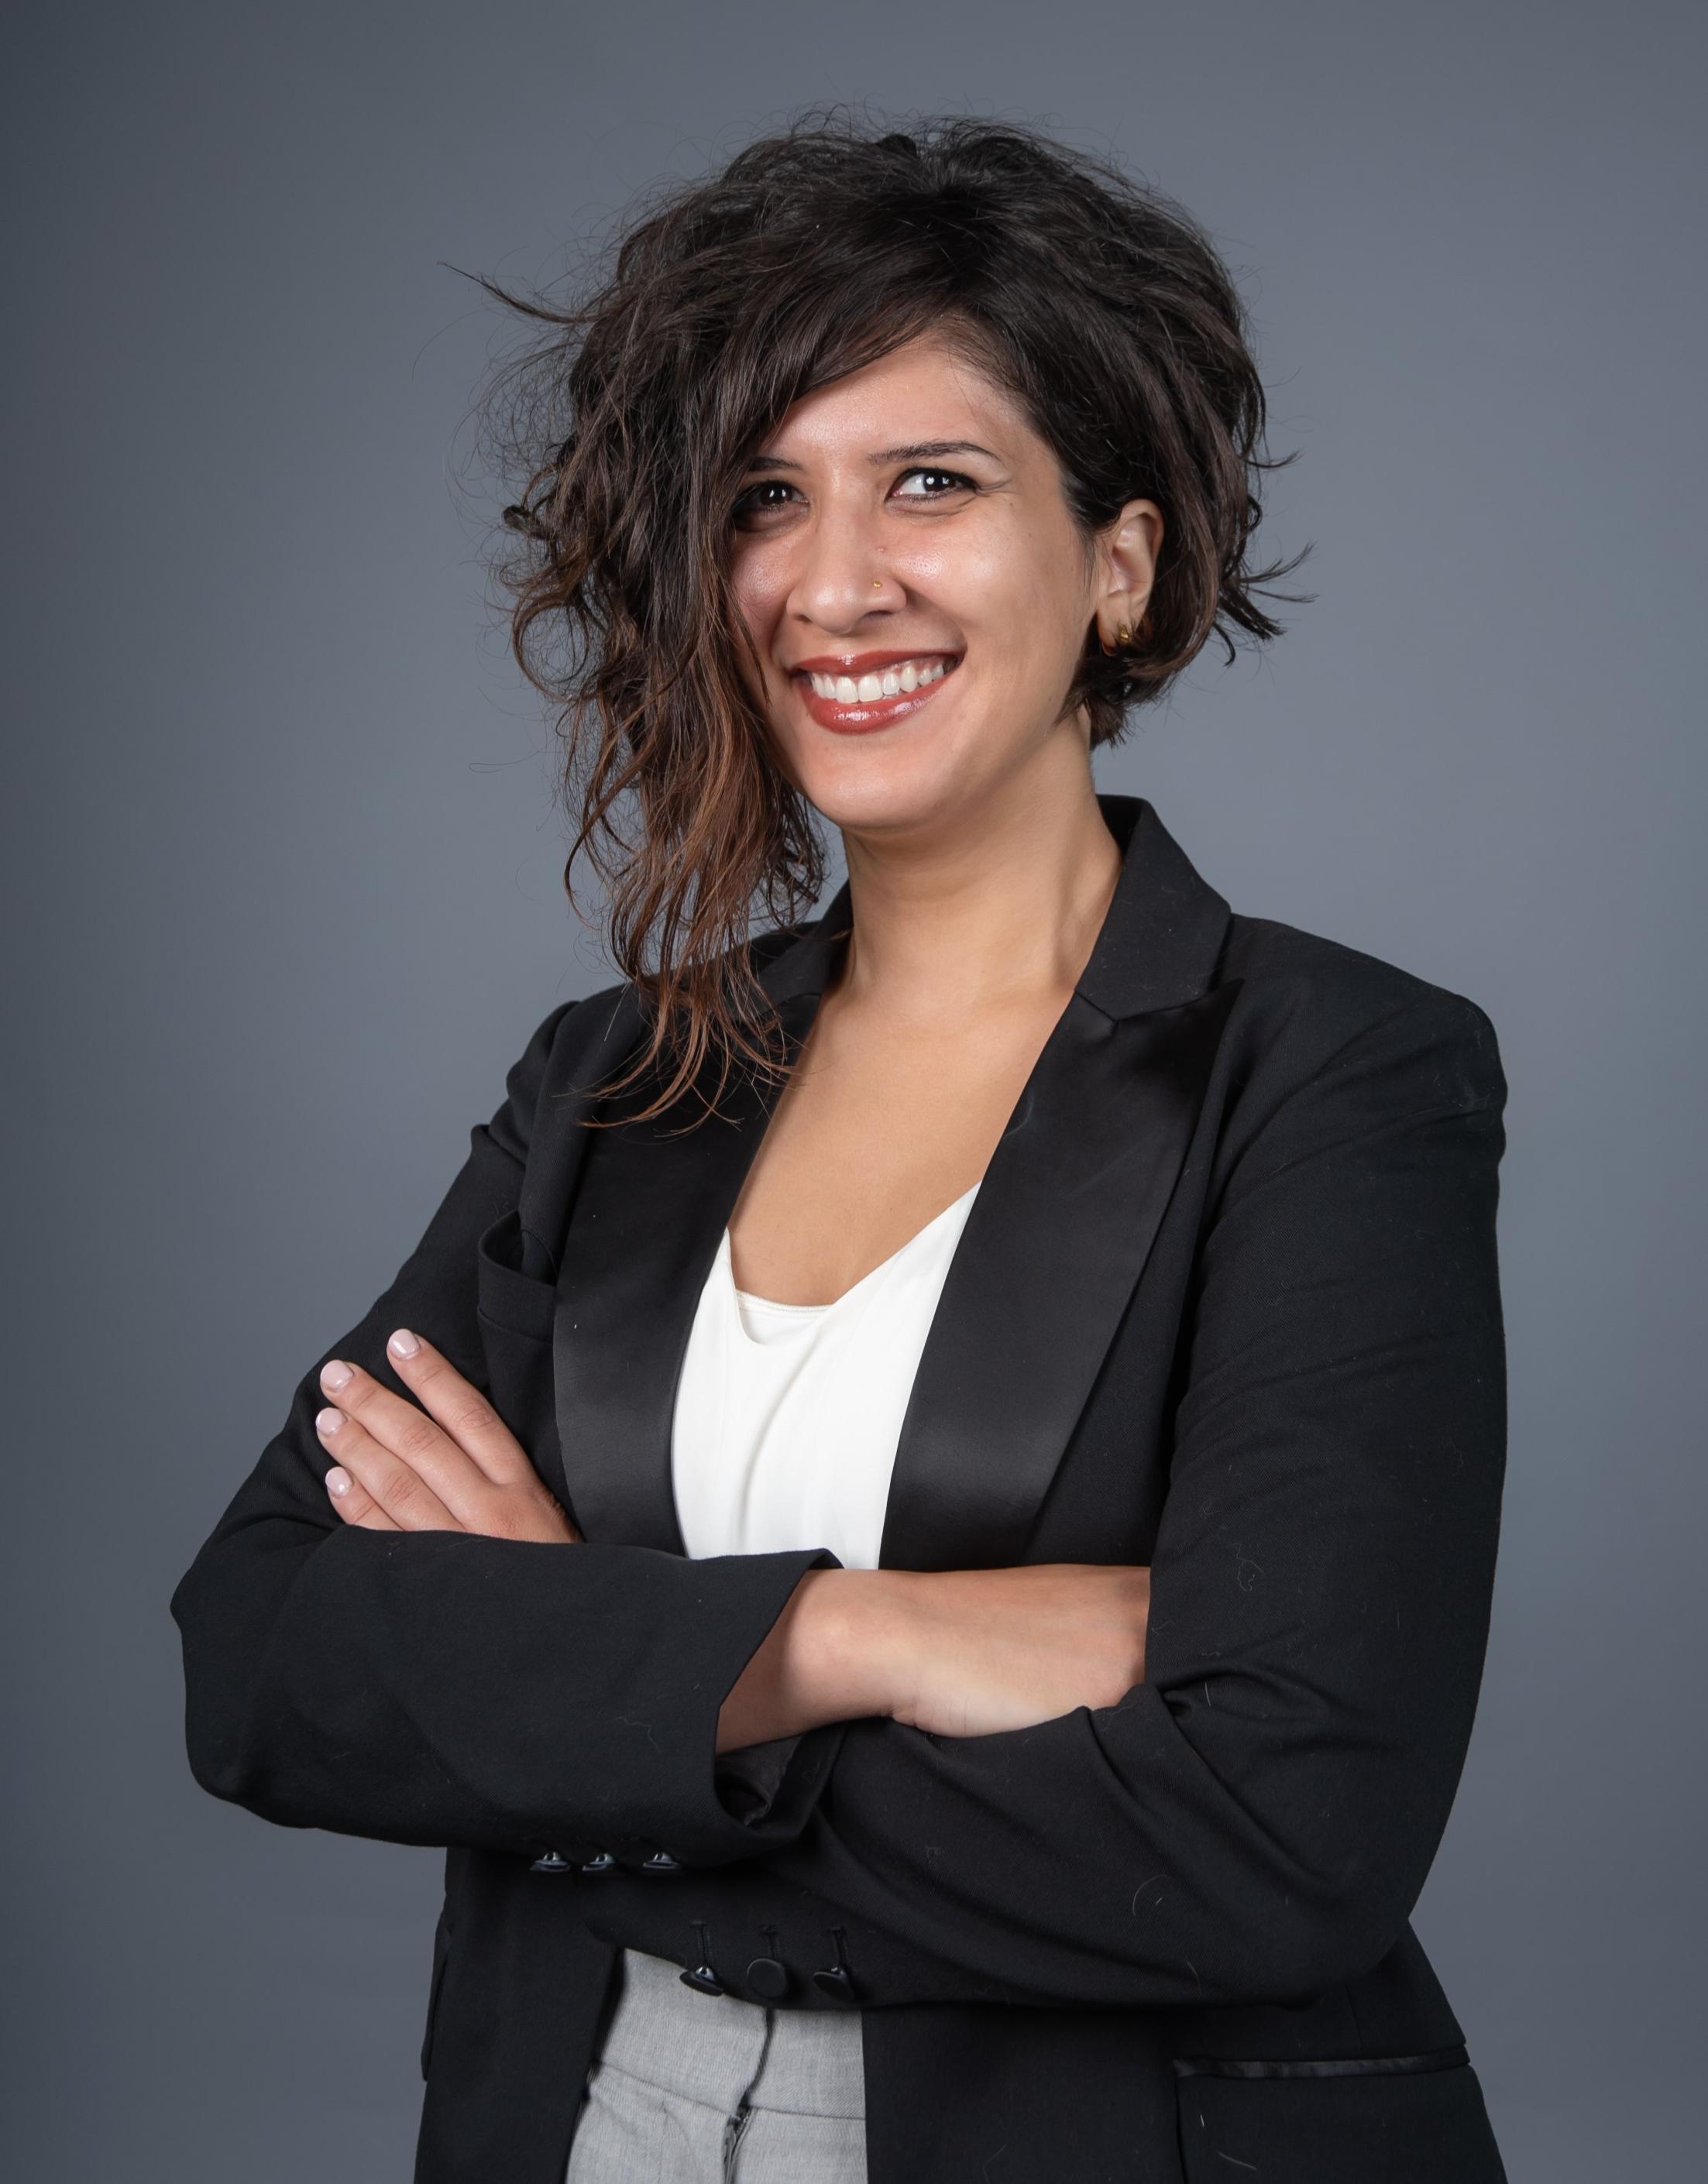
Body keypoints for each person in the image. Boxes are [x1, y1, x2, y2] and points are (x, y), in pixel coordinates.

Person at [170, 114, 1510, 2184]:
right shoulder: (614, 1079)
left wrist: (584, 1686)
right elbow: (260, 1653)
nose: (832, 578)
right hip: (582, 2120)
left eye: (934, 482)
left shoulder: (1331, 1076)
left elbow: (1272, 1839)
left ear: (1121, 561)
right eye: (765, 498)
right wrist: (841, 1635)